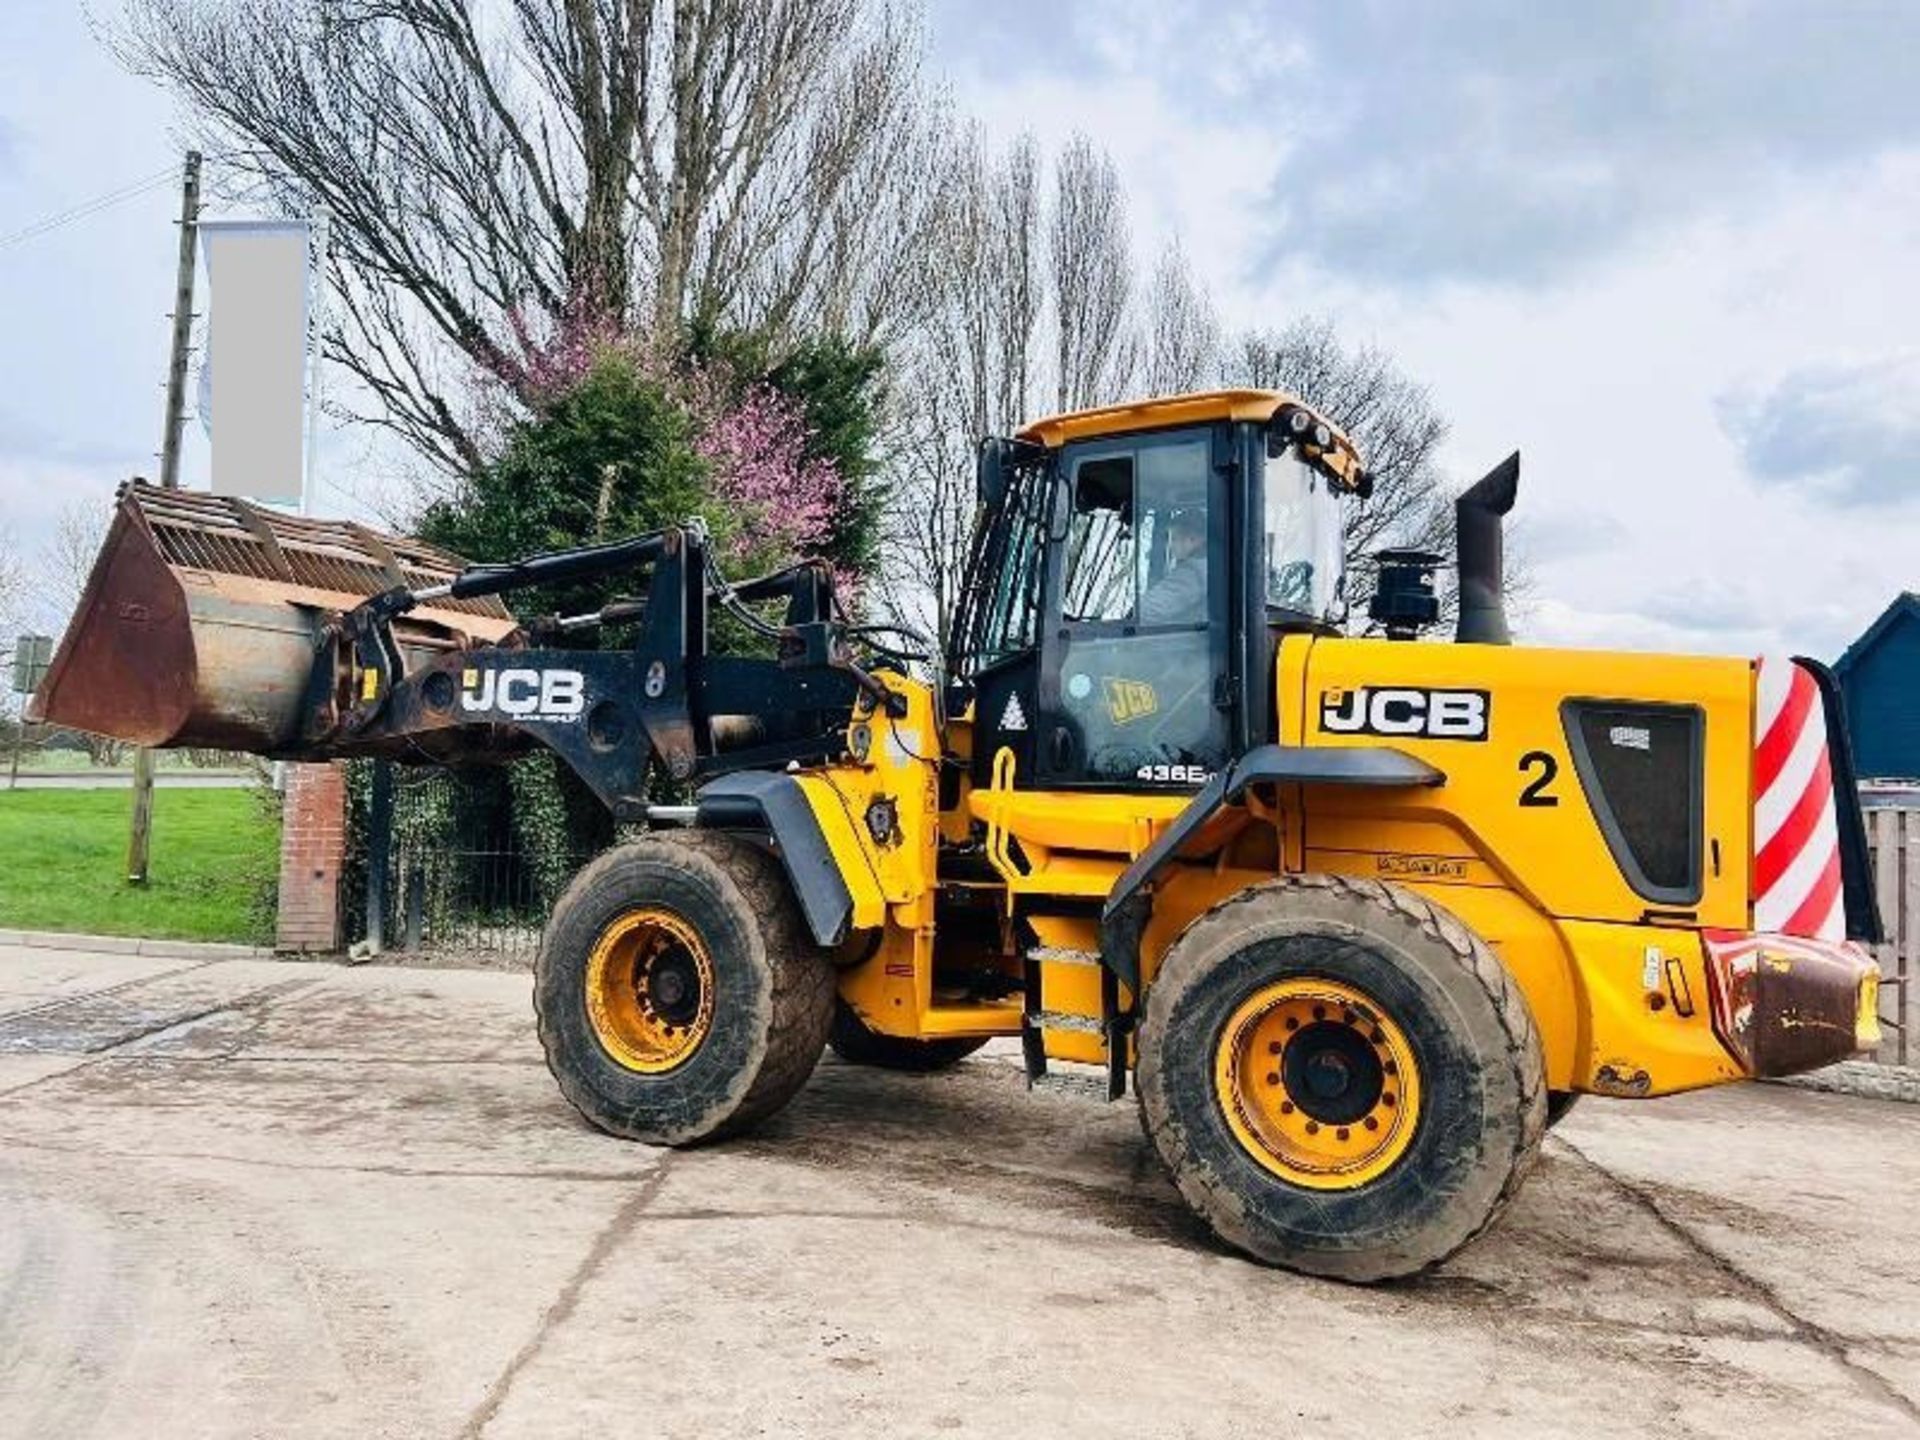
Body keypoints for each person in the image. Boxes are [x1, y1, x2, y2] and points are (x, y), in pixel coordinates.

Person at [1138, 509, 1207, 624]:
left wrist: (1130, 616)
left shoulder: (1192, 573)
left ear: (1193, 540)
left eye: (1174, 539)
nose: (1170, 546)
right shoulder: (1209, 568)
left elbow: (1146, 610)